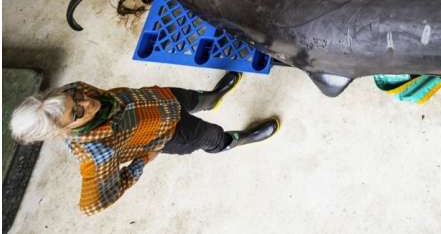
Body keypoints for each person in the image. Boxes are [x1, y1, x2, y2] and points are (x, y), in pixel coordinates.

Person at [9, 72, 278, 215]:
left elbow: (87, 98)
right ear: (61, 131)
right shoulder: (95, 152)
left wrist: (77, 99)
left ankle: (212, 98)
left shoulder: (73, 90)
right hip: (171, 132)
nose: (87, 103)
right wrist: (141, 162)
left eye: (75, 97)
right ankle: (235, 140)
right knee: (212, 134)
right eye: (77, 114)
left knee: (192, 98)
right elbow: (93, 204)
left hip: (157, 98)